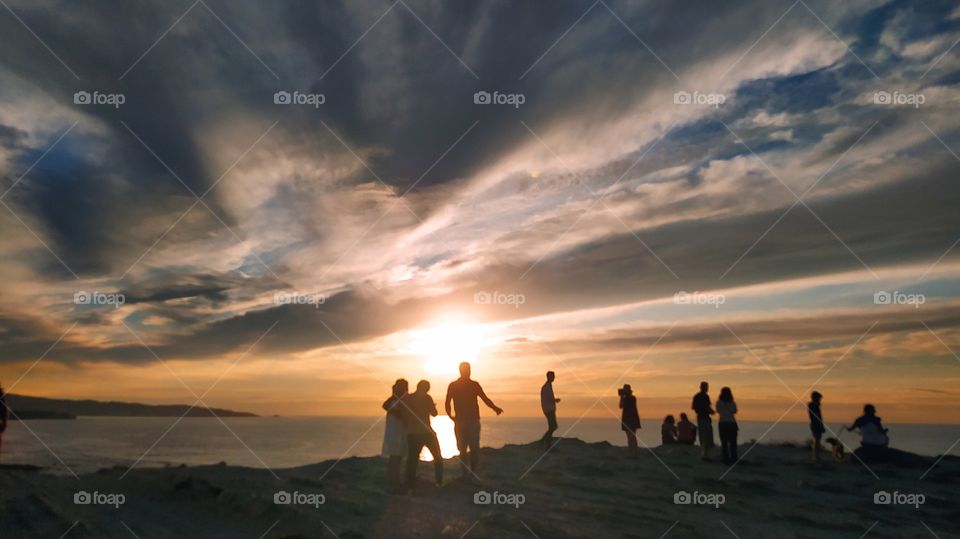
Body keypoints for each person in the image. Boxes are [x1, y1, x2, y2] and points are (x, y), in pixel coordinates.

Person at [445, 362, 503, 480]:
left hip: (472, 420)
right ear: (462, 370)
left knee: (474, 447)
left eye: (469, 369)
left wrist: (495, 408)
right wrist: (450, 416)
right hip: (462, 420)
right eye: (467, 369)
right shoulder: (454, 385)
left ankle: (472, 471)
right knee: (462, 447)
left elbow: (484, 398)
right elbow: (447, 402)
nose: (469, 371)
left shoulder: (474, 385)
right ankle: (465, 472)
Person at [404, 380, 443, 489]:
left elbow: (404, 413)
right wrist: (432, 406)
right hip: (426, 432)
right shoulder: (427, 398)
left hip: (412, 432)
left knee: (412, 459)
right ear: (426, 388)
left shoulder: (409, 398)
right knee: (437, 457)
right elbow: (434, 413)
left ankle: (410, 484)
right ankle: (439, 482)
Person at [381, 379, 408, 493]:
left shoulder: (396, 400)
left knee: (396, 458)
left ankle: (394, 481)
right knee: (395, 458)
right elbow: (387, 407)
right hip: (396, 433)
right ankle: (394, 482)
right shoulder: (395, 401)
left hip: (397, 432)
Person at [692, 381, 715, 460]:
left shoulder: (696, 396)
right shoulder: (705, 396)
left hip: (700, 417)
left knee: (702, 435)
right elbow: (707, 407)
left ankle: (704, 454)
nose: (707, 388)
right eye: (706, 387)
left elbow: (694, 407)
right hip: (705, 417)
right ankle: (705, 454)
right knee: (707, 436)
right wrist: (711, 411)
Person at [716, 387, 738, 465]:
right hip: (731, 423)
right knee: (733, 442)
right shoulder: (732, 402)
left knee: (724, 442)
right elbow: (735, 411)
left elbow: (718, 411)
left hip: (722, 423)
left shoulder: (719, 402)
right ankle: (734, 458)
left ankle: (726, 459)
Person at [539, 371, 560, 448]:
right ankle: (544, 442)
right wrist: (555, 400)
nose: (554, 377)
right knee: (553, 426)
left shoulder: (548, 386)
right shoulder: (546, 387)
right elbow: (548, 398)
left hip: (549, 409)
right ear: (549, 377)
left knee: (552, 426)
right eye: (553, 376)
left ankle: (545, 442)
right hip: (548, 409)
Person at [618, 384, 641, 456]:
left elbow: (621, 406)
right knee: (631, 435)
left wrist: (621, 397)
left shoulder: (630, 398)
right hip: (632, 418)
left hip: (629, 418)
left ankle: (633, 451)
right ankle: (633, 451)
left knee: (631, 436)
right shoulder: (632, 398)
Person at [807, 391, 825, 462]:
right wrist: (821, 425)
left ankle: (816, 456)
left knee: (817, 440)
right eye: (819, 398)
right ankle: (816, 456)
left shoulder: (814, 405)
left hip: (816, 424)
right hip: (815, 424)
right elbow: (816, 416)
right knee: (817, 440)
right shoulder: (812, 405)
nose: (819, 400)